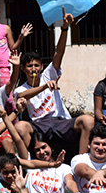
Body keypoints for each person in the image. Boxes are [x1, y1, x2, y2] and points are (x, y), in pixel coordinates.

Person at [13, 13, 95, 156]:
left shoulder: (49, 74)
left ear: (41, 67)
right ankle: (31, 166)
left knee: (87, 120)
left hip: (61, 121)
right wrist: (44, 87)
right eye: (29, 66)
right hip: (39, 124)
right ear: (23, 68)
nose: (33, 69)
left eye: (36, 66)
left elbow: (59, 52)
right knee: (20, 127)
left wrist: (65, 28)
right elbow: (22, 95)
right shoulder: (21, 88)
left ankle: (81, 160)